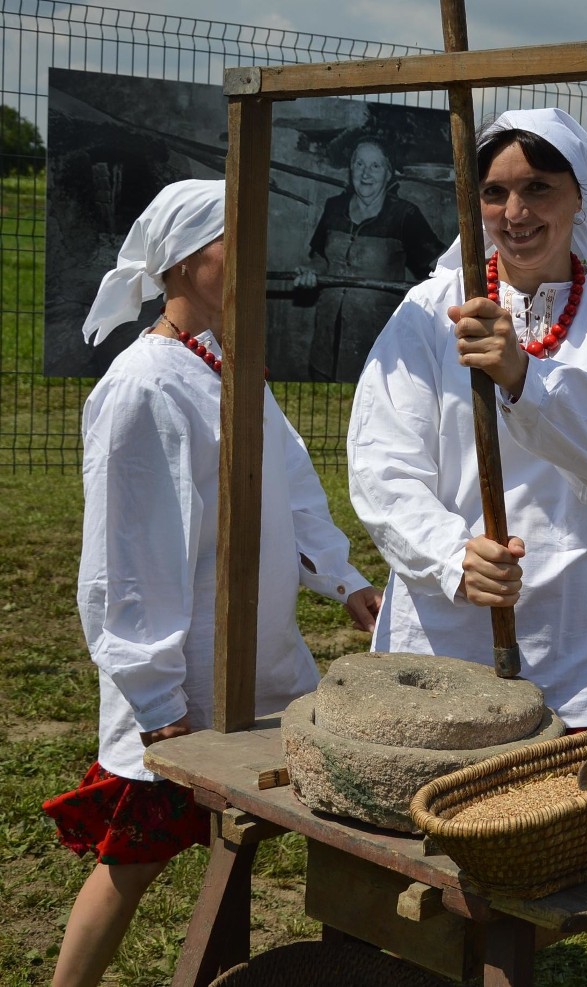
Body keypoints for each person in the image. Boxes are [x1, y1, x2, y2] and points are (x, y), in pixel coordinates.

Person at [42, 178, 382, 987]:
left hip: (262, 670)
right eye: (241, 241)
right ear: (188, 261)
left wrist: (346, 582)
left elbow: (291, 486)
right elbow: (123, 563)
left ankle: (345, 965)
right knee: (133, 859)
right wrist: (160, 706)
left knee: (335, 823)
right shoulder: (143, 386)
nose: (261, 257)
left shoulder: (228, 366)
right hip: (183, 685)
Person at [347, 108, 587, 731]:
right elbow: (381, 465)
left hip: (584, 644)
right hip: (444, 634)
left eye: (538, 188)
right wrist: (454, 557)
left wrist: (526, 380)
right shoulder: (428, 312)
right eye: (495, 192)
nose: (516, 212)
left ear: (580, 197)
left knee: (578, 824)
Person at [294, 137, 445, 382]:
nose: (366, 173)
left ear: (388, 173)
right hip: (327, 338)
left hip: (376, 341)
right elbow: (321, 259)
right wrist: (309, 273)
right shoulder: (334, 208)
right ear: (351, 169)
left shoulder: (404, 215)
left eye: (375, 166)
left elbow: (442, 265)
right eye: (360, 164)